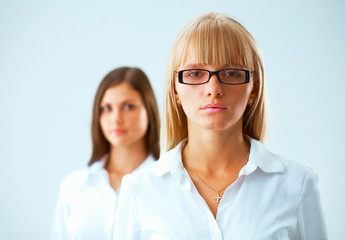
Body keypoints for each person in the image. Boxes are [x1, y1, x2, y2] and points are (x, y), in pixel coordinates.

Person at [113, 13, 328, 239]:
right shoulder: (139, 189)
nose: (213, 89)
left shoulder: (298, 183)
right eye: (195, 73)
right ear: (175, 89)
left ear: (254, 88)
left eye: (231, 73)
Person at [51, 67, 160, 240]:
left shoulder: (171, 186)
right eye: (107, 108)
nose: (116, 118)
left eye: (128, 106)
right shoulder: (75, 187)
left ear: (149, 112)